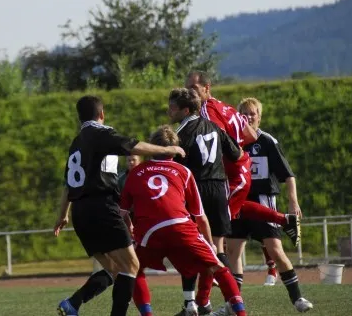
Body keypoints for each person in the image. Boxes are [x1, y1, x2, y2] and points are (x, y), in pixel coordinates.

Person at [54, 95, 186, 316]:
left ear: (79, 118)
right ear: (102, 114)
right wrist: (167, 150)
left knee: (115, 270)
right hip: (101, 207)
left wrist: (63, 215)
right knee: (131, 265)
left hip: (80, 212)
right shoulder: (101, 134)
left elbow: (69, 185)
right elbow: (132, 145)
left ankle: (72, 304)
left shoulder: (76, 143)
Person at [184, 70, 300, 315]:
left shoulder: (206, 111)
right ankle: (203, 302)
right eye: (187, 88)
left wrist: (228, 156)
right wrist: (235, 150)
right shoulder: (224, 107)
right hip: (235, 172)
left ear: (207, 88)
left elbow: (221, 140)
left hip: (232, 175)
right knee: (218, 241)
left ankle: (202, 302)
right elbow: (250, 135)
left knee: (214, 239)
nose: (189, 92)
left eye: (193, 88)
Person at [120, 125, 247, 316]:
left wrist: (129, 227)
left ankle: (148, 313)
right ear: (175, 149)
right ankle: (240, 312)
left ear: (152, 146)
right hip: (180, 225)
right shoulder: (183, 171)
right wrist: (210, 244)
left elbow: (122, 212)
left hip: (149, 231)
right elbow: (200, 216)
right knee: (218, 268)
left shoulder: (136, 172)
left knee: (134, 269)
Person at [226, 97, 313, 313]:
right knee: (233, 252)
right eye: (244, 113)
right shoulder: (231, 141)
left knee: (275, 250)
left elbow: (288, 175)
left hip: (262, 201)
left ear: (259, 117)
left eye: (252, 113)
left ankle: (297, 298)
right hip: (237, 201)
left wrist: (293, 202)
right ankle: (233, 304)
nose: (248, 117)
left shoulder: (267, 141)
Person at [167, 88, 243, 315]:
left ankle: (190, 304)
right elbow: (237, 154)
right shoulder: (215, 127)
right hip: (219, 189)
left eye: (173, 108)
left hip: (196, 190)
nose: (169, 111)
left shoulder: (180, 133)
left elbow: (174, 167)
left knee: (190, 247)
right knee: (217, 247)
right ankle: (232, 302)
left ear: (186, 110)